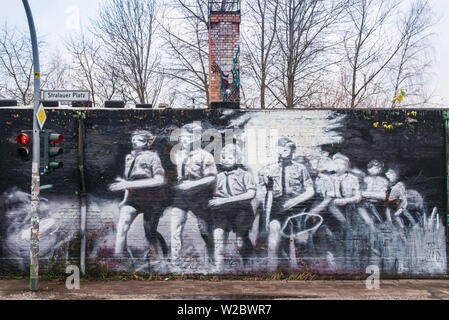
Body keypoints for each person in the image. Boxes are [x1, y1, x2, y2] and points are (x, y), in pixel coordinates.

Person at [258, 137, 315, 272]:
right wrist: (266, 215)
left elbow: (310, 191)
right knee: (274, 235)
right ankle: (272, 272)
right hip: (278, 206)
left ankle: (303, 271)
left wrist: (294, 201)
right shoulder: (268, 169)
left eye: (286, 149)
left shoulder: (301, 169)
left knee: (300, 240)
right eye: (280, 149)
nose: (283, 152)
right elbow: (265, 193)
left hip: (298, 205)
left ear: (292, 151)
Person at [109, 130, 168, 259]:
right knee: (122, 225)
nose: (134, 141)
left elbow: (159, 180)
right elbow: (128, 181)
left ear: (147, 142)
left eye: (138, 139)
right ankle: (118, 259)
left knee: (149, 231)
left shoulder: (153, 157)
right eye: (133, 139)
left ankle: (159, 257)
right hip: (133, 197)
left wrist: (126, 185)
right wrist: (125, 199)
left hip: (152, 197)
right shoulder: (129, 157)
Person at [169, 122, 217, 271]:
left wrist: (191, 185)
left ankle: (212, 259)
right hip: (181, 196)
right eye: (181, 137)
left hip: (199, 195)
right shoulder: (178, 153)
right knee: (175, 228)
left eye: (186, 137)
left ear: (196, 137)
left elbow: (211, 177)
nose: (182, 140)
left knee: (204, 230)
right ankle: (175, 262)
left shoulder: (205, 155)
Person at [209, 144, 256, 272]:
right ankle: (218, 270)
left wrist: (224, 200)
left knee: (240, 241)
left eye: (230, 157)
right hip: (222, 211)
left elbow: (251, 194)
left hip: (241, 210)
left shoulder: (245, 175)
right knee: (218, 237)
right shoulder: (218, 176)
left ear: (238, 159)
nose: (225, 160)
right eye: (223, 157)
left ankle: (247, 265)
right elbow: (212, 195)